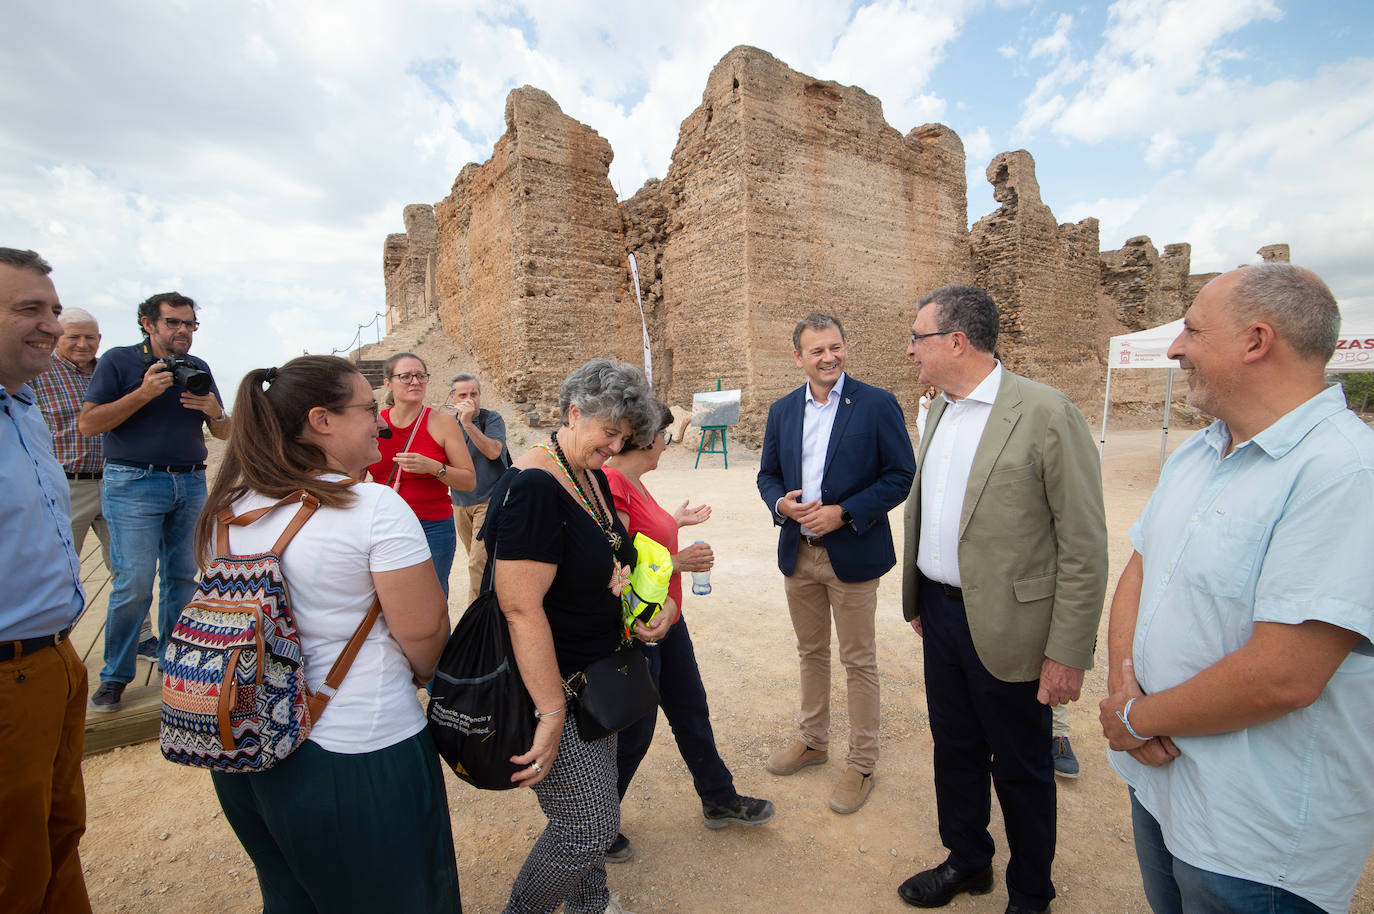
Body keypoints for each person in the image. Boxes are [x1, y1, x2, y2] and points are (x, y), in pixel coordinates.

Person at [1099, 264, 1374, 914]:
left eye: (1191, 330)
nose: (1173, 348)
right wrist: (1122, 687)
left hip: (1254, 839)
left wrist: (1134, 718)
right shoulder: (1199, 453)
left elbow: (1285, 675)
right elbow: (1142, 567)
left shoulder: (1344, 473)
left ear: (1256, 341)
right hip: (1162, 789)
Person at [200, 355, 461, 912]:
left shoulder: (228, 507)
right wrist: (422, 673)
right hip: (357, 743)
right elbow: (425, 635)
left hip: (248, 742)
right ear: (321, 420)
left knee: (291, 894)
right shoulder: (372, 507)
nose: (382, 423)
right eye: (369, 410)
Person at [899, 284, 1107, 914]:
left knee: (1020, 766)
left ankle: (1030, 892)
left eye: (918, 337)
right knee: (954, 747)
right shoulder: (936, 410)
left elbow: (1083, 543)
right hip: (940, 613)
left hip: (1015, 626)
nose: (910, 349)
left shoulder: (1046, 412)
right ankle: (967, 860)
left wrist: (1068, 651)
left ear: (956, 342)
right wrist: (919, 597)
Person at [491, 358, 666, 914]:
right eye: (609, 432)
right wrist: (549, 711)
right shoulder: (537, 485)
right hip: (556, 685)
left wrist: (635, 606)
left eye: (625, 437)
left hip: (592, 676)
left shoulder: (583, 472)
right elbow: (519, 608)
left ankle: (589, 904)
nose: (616, 446)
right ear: (573, 413)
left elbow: (594, 558)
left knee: (591, 807)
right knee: (588, 824)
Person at [602, 401, 775, 864]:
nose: (669, 441)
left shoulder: (633, 481)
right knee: (636, 732)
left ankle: (718, 796)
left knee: (691, 710)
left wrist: (673, 522)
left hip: (667, 620)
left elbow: (640, 536)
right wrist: (678, 562)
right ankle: (594, 825)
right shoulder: (615, 481)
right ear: (649, 438)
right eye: (667, 434)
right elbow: (617, 560)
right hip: (642, 628)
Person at [757, 313, 916, 814]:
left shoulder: (875, 404)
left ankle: (862, 762)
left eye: (836, 347)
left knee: (859, 660)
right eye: (817, 351)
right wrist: (782, 504)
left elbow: (900, 475)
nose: (829, 358)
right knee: (810, 653)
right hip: (798, 554)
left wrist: (843, 512)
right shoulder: (783, 411)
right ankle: (813, 740)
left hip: (852, 554)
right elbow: (767, 476)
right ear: (799, 357)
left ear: (845, 347)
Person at [80, 291, 231, 713]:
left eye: (190, 324)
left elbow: (223, 433)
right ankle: (115, 676)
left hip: (189, 483)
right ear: (148, 324)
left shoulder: (198, 368)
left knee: (183, 577)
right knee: (133, 582)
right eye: (173, 323)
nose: (183, 331)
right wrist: (143, 394)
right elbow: (89, 423)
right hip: (133, 482)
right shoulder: (119, 361)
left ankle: (175, 661)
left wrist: (215, 412)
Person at [0, 247, 93, 913]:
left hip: (55, 656)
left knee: (60, 832)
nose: (50, 325)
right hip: (8, 671)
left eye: (52, 310)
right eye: (27, 309)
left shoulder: (23, 406)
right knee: (13, 855)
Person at [32, 308, 158, 658]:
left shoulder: (111, 369)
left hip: (118, 482)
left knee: (129, 569)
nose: (83, 344)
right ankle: (53, 643)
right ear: (57, 335)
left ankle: (141, 636)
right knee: (58, 568)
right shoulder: (39, 372)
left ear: (100, 339)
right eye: (73, 336)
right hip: (64, 486)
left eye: (90, 337)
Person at [366, 353, 475, 598]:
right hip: (385, 525)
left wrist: (433, 467)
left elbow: (469, 481)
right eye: (405, 376)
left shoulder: (443, 423)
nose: (415, 381)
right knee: (386, 599)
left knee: (432, 598)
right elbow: (355, 477)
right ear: (388, 384)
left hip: (432, 526)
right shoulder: (374, 424)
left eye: (420, 376)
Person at [448, 371, 510, 605]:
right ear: (452, 398)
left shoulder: (490, 419)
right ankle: (495, 601)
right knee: (479, 562)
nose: (469, 399)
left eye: (474, 393)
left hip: (489, 500)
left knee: (477, 563)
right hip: (460, 502)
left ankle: (475, 617)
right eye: (463, 394)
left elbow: (494, 451)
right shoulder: (446, 425)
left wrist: (468, 424)